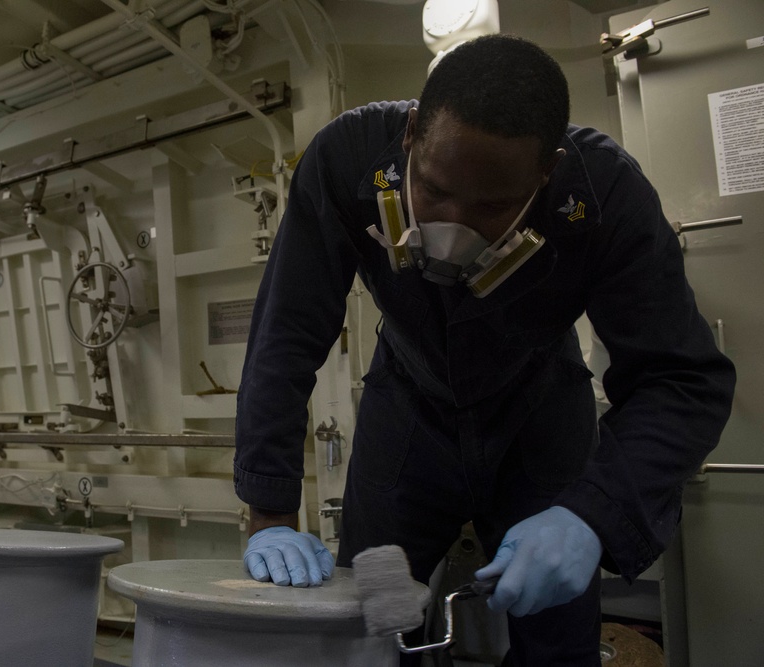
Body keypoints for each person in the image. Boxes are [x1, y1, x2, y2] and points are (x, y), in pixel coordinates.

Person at [232, 33, 736, 665]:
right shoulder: (348, 158)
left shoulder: (603, 192)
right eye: (436, 190)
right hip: (405, 423)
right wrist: (269, 510)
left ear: (547, 171)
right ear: (412, 132)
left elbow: (682, 377)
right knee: (374, 627)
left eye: (493, 206)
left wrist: (594, 514)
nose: (454, 226)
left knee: (556, 641)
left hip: (543, 421)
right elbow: (287, 332)